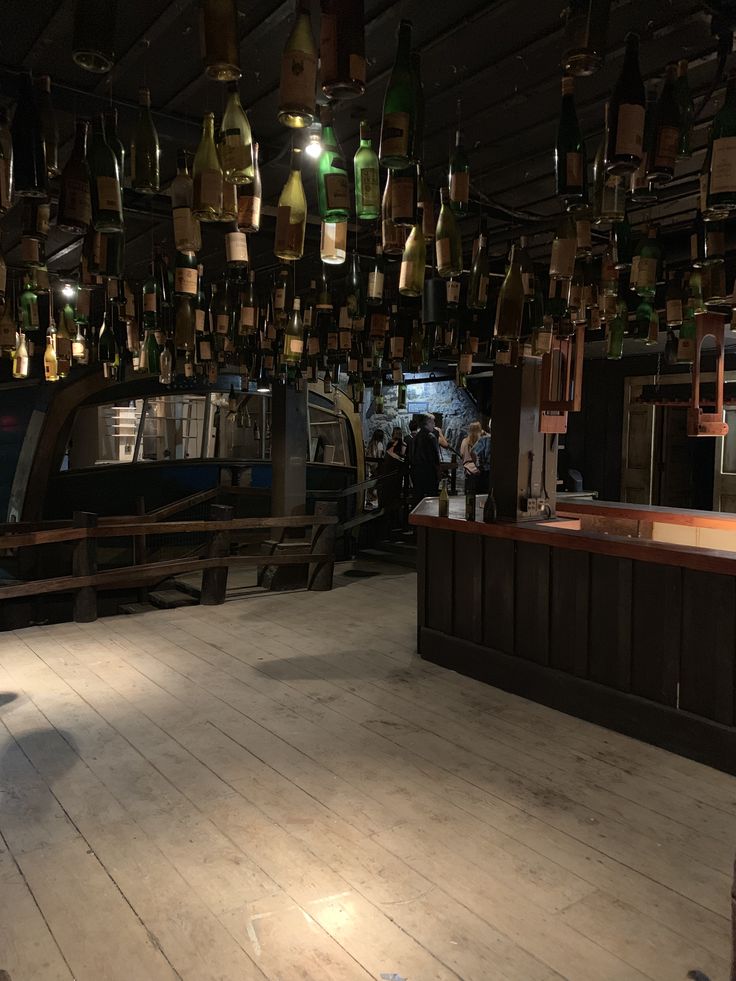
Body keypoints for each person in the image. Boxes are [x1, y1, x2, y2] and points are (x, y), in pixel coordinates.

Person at [376, 427, 405, 536]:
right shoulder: (396, 445)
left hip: (391, 476)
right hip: (393, 476)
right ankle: (392, 525)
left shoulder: (394, 445)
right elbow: (399, 458)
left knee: (390, 500)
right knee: (392, 500)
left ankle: (388, 525)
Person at [411, 413, 441, 504]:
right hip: (429, 472)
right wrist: (438, 470)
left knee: (418, 498)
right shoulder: (431, 436)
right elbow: (435, 456)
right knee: (431, 498)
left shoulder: (416, 436)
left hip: (417, 472)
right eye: (433, 422)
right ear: (428, 422)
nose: (434, 425)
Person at [460, 421, 482, 491]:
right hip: (479, 471)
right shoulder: (481, 441)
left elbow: (461, 454)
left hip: (468, 471)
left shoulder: (464, 441)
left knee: (469, 495)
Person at [472, 426, 492, 494]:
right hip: (487, 472)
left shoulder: (485, 439)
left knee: (482, 495)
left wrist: (476, 466)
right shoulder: (485, 439)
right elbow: (473, 453)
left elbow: (473, 452)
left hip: (485, 472)